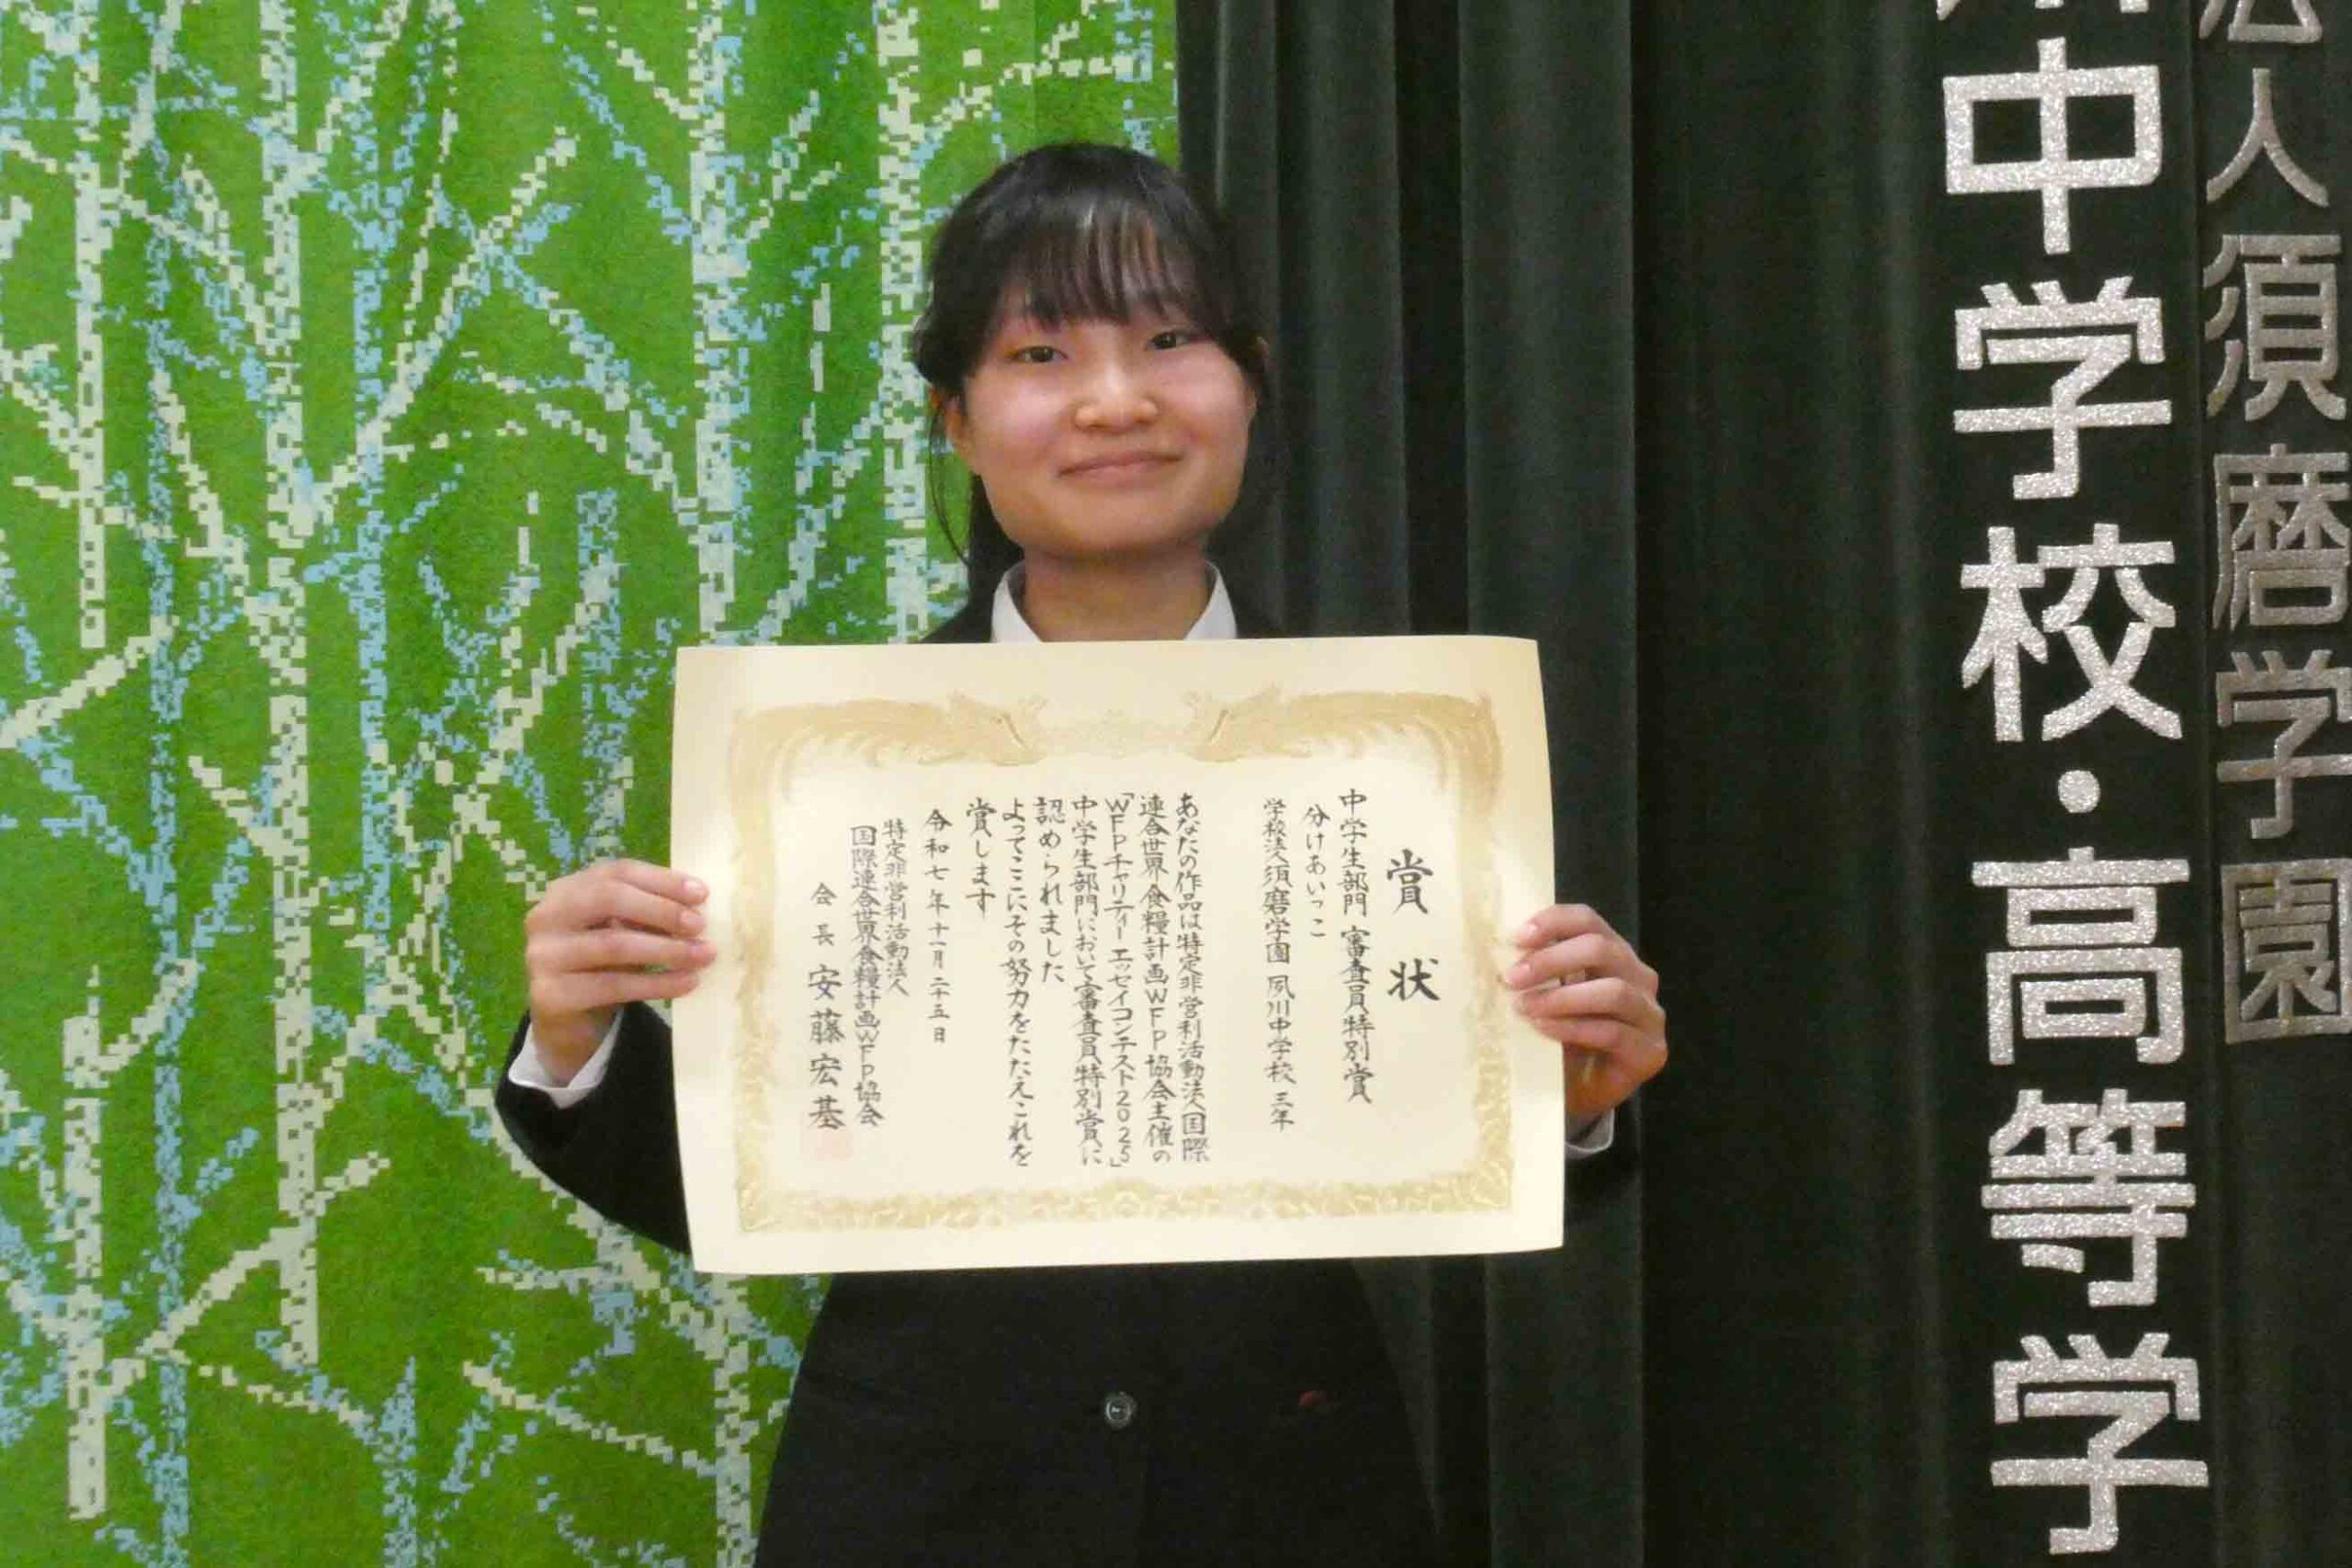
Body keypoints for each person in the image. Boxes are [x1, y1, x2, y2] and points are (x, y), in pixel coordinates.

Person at [497, 142, 1668, 1567]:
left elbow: (1458, 1149)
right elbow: (734, 1188)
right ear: (957, 419)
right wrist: (579, 1038)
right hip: (924, 1511)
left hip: (1293, 1505)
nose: (1117, 401)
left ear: (1249, 383)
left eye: (1170, 340)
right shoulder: (828, 772)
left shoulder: (1410, 753)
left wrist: (1574, 1098)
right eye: (1042, 352)